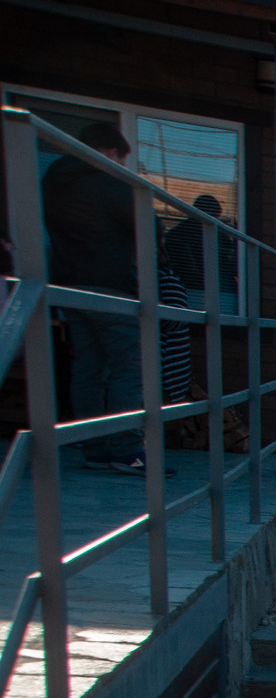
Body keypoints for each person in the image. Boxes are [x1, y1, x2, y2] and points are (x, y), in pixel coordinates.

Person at [42, 121, 144, 473]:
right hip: (111, 286)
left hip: (70, 286)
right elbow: (145, 223)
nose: (120, 169)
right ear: (108, 152)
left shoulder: (55, 181)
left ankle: (95, 449)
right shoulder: (102, 181)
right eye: (119, 160)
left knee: (89, 369)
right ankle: (127, 450)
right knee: (130, 367)